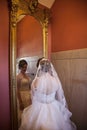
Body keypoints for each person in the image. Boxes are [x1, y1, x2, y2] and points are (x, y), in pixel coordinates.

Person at [19, 58, 77, 130]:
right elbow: (60, 97)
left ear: (39, 68)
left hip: (38, 109)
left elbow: (33, 98)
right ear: (50, 68)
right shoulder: (56, 80)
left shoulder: (35, 82)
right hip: (54, 107)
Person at [17, 59, 31, 126]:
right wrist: (20, 102)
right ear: (20, 67)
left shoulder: (27, 75)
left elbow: (29, 86)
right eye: (23, 67)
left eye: (26, 67)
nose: (25, 68)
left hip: (29, 95)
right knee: (23, 114)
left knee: (28, 114)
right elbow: (17, 90)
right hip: (22, 96)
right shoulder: (18, 77)